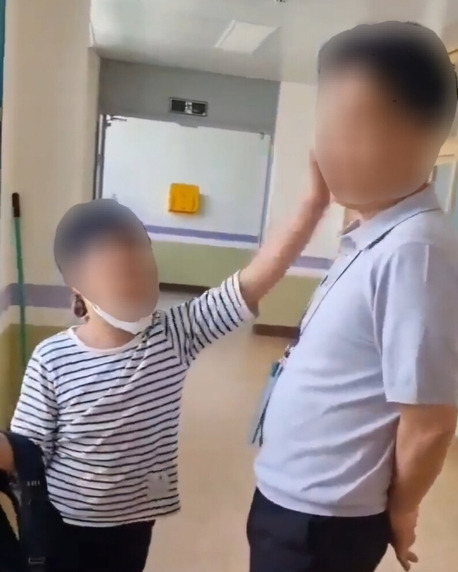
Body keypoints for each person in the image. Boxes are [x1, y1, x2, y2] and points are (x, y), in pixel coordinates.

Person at [6, 166, 329, 572]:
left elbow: (252, 282)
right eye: (123, 276)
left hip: (136, 522)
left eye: (147, 271)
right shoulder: (52, 358)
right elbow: (27, 450)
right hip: (64, 523)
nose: (141, 285)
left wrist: (314, 205)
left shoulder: (174, 334)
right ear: (78, 289)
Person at [247, 21, 458, 572]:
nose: (328, 147)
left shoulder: (417, 251)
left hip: (325, 522)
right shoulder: (374, 233)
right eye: (323, 125)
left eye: (352, 129)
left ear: (425, 137)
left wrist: (403, 509)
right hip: (294, 502)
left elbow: (430, 422)